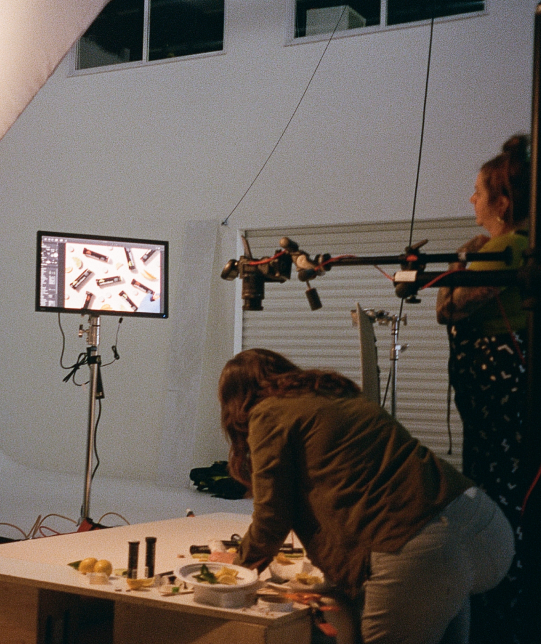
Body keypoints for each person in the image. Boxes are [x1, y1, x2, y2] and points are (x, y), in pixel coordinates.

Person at [218, 348, 514, 644]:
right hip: (482, 526)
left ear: (236, 401)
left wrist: (233, 571)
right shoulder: (334, 393)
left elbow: (272, 518)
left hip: (418, 544)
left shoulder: (267, 412)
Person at [436, 134, 530, 644]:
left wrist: (463, 261)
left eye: (478, 191)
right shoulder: (503, 247)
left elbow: (450, 306)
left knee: (497, 497)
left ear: (502, 201)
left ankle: (501, 611)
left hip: (497, 390)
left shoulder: (509, 247)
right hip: (490, 391)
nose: (471, 200)